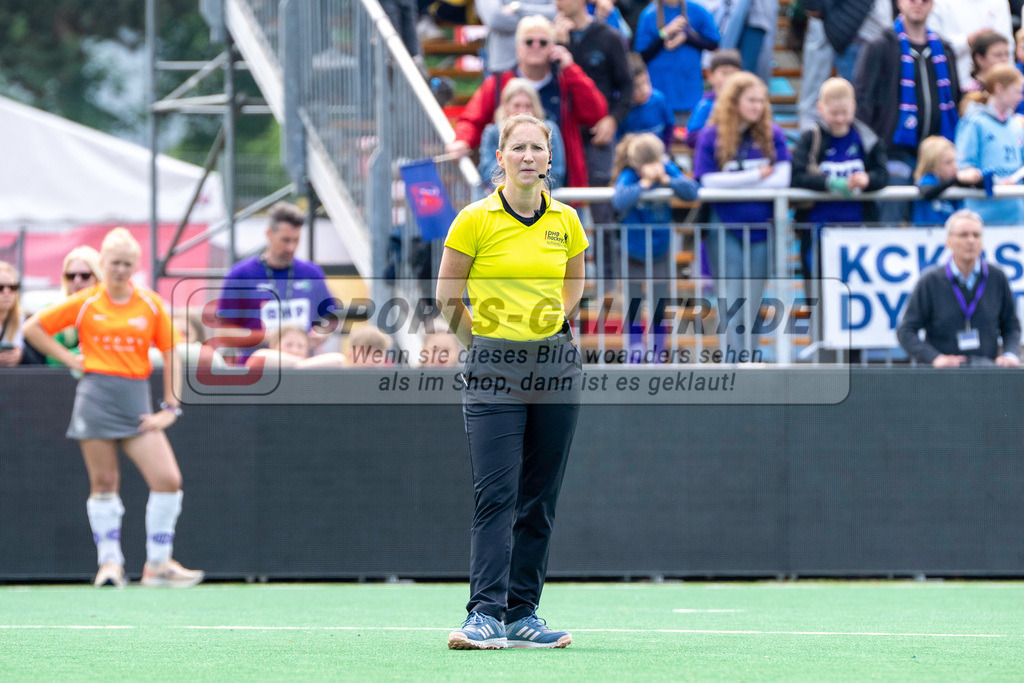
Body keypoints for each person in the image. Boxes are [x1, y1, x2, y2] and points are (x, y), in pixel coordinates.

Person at [437, 113, 586, 649]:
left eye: (537, 149)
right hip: (492, 366)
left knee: (539, 496)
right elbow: (448, 296)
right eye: (517, 149)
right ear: (499, 158)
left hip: (554, 366)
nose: (528, 157)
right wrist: (484, 341)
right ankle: (484, 614)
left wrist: (549, 326)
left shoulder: (566, 219)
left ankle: (524, 614)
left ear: (550, 159)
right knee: (495, 492)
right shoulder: (473, 219)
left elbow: (574, 283)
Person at [22, 228, 204, 589]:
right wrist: (72, 360)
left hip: (135, 400)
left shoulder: (149, 303)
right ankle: (109, 565)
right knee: (104, 483)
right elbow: (33, 328)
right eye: (113, 263)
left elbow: (172, 354)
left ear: (135, 266)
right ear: (102, 264)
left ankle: (158, 564)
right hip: (96, 398)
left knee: (168, 480)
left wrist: (171, 406)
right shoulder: (87, 301)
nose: (119, 270)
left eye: (126, 264)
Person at [692, 71, 791, 355]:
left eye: (761, 101)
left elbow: (782, 179)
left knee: (755, 301)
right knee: (731, 301)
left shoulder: (774, 134)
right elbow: (709, 181)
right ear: (734, 102)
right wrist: (757, 174)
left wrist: (736, 180)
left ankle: (750, 364)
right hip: (723, 225)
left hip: (762, 227)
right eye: (751, 101)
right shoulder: (712, 135)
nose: (758, 107)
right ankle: (733, 367)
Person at [446, 15, 608, 188]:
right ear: (518, 48)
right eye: (529, 42)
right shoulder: (498, 83)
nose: (536, 46)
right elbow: (472, 119)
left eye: (543, 42)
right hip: (507, 189)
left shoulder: (565, 81)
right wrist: (462, 140)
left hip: (559, 187)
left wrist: (570, 69)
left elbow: (596, 113)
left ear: (553, 47)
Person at [854, 0, 962, 225]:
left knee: (939, 223)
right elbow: (863, 102)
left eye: (925, 0)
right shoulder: (881, 46)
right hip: (894, 153)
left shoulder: (944, 49)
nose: (918, 4)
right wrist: (875, 152)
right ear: (899, 3)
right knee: (889, 221)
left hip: (936, 155)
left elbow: (954, 98)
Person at [791, 77, 889, 282]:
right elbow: (797, 176)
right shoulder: (811, 138)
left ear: (853, 107)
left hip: (858, 229)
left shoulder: (867, 138)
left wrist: (867, 179)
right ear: (821, 108)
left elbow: (882, 174)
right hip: (817, 229)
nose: (840, 119)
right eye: (834, 113)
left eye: (845, 113)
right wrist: (828, 183)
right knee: (819, 293)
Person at [215, 201, 337, 363]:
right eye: (285, 240)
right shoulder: (240, 275)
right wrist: (270, 337)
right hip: (257, 373)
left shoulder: (311, 272)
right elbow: (224, 334)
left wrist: (322, 333)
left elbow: (331, 316)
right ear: (269, 234)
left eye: (296, 240)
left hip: (303, 370)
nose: (291, 247)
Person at [611, 132, 698, 358]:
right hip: (632, 250)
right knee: (634, 303)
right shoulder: (630, 175)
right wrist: (645, 184)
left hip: (661, 249)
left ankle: (659, 348)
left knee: (660, 302)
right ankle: (634, 348)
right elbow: (619, 200)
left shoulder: (667, 169)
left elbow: (691, 191)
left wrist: (668, 181)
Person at [897, 209, 1021, 367]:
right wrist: (935, 358)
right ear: (948, 241)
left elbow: (1011, 326)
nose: (971, 241)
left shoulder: (997, 277)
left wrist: (1010, 354)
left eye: (976, 235)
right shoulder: (930, 281)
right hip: (943, 378)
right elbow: (906, 331)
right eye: (963, 235)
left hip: (987, 374)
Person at [554, 0, 633, 209]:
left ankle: (605, 243)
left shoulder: (607, 35)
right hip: (563, 131)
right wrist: (561, 45)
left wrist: (613, 120)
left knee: (601, 203)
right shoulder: (548, 38)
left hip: (597, 132)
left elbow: (627, 87)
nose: (557, 3)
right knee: (563, 201)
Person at [797, 0, 892, 128]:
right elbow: (812, 7)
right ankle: (812, 142)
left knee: (866, 107)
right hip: (848, 36)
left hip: (871, 35)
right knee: (820, 102)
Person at [954, 63, 1024, 226]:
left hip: (1016, 212)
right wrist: (997, 182)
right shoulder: (974, 123)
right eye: (1016, 91)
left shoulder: (1016, 125)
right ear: (999, 89)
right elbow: (965, 167)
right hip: (984, 215)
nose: (1020, 98)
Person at [634, 0, 720, 124]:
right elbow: (642, 55)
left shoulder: (697, 10)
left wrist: (687, 37)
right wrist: (664, 33)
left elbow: (713, 43)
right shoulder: (649, 14)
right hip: (659, 89)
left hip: (689, 90)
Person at [478, 78, 567, 191]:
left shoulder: (549, 129)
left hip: (543, 198)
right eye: (517, 106)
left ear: (536, 107)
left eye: (528, 106)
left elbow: (557, 172)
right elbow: (488, 173)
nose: (522, 112)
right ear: (506, 107)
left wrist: (529, 189)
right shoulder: (493, 132)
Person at [927, 0, 1013, 87]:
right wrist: (967, 41)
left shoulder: (1000, 2)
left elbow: (1008, 47)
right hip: (955, 81)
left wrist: (1010, 80)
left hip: (997, 86)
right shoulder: (939, 3)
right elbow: (934, 46)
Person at [45, 246, 102, 367]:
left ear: (98, 276)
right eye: (71, 276)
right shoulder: (53, 309)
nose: (77, 280)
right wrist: (86, 352)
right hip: (60, 382)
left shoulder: (110, 310)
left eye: (84, 275)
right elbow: (52, 361)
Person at [912, 136, 984, 225]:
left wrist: (975, 177)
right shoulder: (928, 179)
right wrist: (956, 179)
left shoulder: (954, 181)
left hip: (951, 234)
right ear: (931, 166)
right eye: (948, 162)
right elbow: (927, 192)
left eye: (955, 161)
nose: (955, 166)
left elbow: (982, 186)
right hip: (927, 234)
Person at [474, 0, 557, 74]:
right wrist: (539, 22)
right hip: (503, 67)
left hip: (545, 69)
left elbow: (557, 13)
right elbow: (495, 19)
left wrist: (518, 7)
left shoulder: (518, 7)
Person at [685, 48, 742, 148]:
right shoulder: (706, 105)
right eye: (724, 73)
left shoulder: (743, 104)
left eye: (733, 73)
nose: (729, 78)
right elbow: (691, 138)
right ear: (711, 75)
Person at [618, 52, 676, 149]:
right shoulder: (621, 110)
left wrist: (665, 151)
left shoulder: (659, 99)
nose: (644, 89)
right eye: (636, 86)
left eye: (646, 82)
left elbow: (669, 126)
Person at [149, 310, 228, 370]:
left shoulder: (211, 359)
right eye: (173, 334)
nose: (179, 339)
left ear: (198, 337)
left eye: (185, 334)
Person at [245, 323, 348, 368]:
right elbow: (259, 357)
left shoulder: (309, 366)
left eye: (300, 346)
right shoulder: (264, 359)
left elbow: (339, 360)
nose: (294, 350)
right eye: (288, 345)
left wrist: (300, 365)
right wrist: (298, 364)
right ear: (274, 346)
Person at [963, 29, 1012, 95]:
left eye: (1007, 54)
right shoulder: (970, 92)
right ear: (980, 59)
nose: (1004, 60)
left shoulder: (1013, 86)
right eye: (998, 55)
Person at [0, 261, 24, 367]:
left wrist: (20, 354)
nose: (6, 292)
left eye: (12, 287)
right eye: (0, 287)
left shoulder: (22, 319)